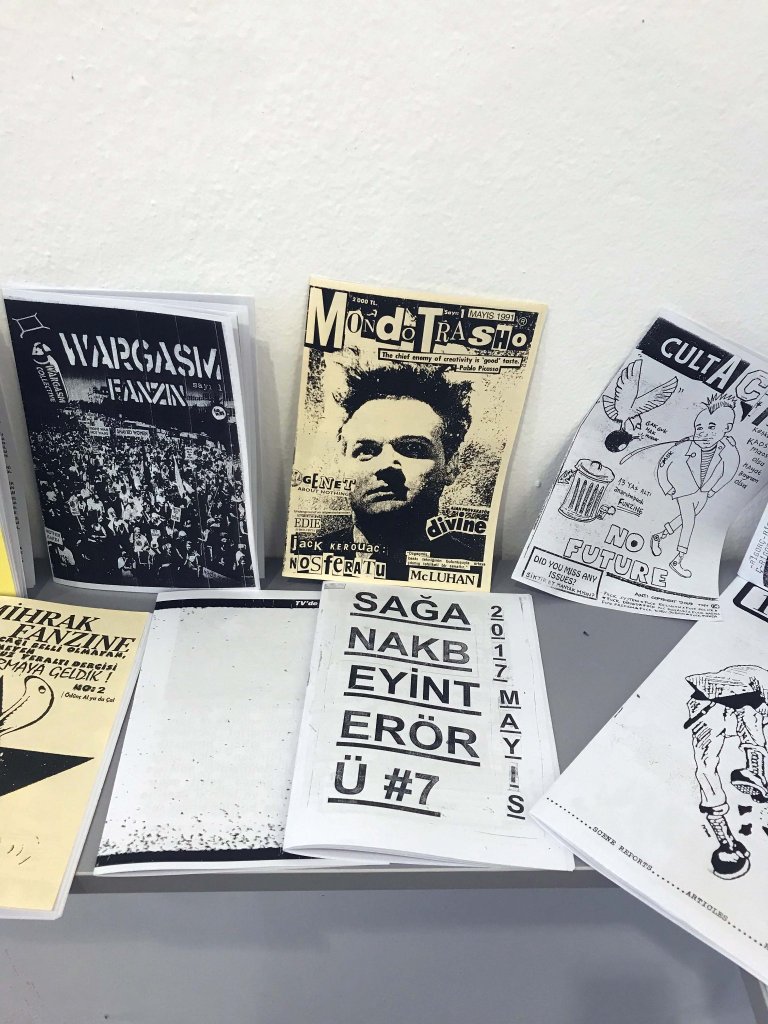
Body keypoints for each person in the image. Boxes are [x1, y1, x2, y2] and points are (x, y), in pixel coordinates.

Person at [317, 363, 482, 576]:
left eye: (413, 448)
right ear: (343, 465)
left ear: (451, 466)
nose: (387, 465)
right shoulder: (309, 556)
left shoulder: (474, 565)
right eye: (366, 450)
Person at [650, 396, 740, 578]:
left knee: (684, 519)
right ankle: (678, 559)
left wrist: (713, 489)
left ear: (727, 428)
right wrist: (668, 487)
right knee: (689, 522)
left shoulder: (726, 449)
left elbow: (731, 469)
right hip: (684, 489)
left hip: (703, 491)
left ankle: (659, 536)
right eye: (699, 428)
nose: (703, 433)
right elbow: (662, 465)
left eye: (712, 427)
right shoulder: (685, 445)